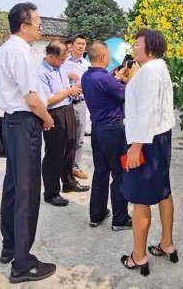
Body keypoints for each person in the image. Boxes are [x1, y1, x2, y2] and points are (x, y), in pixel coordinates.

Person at [0, 2, 56, 283]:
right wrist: (46, 118)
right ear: (24, 25)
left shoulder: (7, 49)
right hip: (23, 123)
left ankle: (10, 245)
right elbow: (31, 99)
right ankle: (23, 262)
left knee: (13, 187)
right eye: (37, 23)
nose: (40, 27)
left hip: (12, 123)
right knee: (27, 191)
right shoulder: (20, 52)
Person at [120, 29, 177, 277]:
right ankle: (166, 244)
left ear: (150, 47)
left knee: (140, 198)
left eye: (137, 44)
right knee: (164, 191)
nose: (133, 48)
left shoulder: (150, 72)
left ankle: (139, 256)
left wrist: (136, 146)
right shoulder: (157, 68)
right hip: (160, 139)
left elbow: (147, 111)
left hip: (147, 140)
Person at [80, 41, 132, 231]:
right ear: (103, 57)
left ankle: (97, 213)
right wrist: (127, 81)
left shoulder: (86, 77)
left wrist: (116, 78)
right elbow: (125, 94)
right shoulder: (105, 78)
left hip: (97, 129)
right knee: (119, 173)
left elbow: (107, 89)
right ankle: (120, 218)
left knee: (101, 171)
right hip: (112, 130)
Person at [38, 41, 90, 207]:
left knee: (70, 149)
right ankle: (51, 192)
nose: (63, 61)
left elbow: (67, 90)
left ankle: (69, 183)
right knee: (54, 154)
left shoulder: (61, 68)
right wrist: (69, 91)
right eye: (61, 58)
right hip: (53, 114)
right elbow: (47, 100)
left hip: (68, 109)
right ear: (51, 56)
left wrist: (73, 89)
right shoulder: (40, 72)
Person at [62, 34, 89, 180]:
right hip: (65, 104)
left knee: (79, 138)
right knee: (65, 138)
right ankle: (63, 168)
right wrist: (67, 75)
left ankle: (75, 167)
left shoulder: (86, 65)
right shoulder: (62, 63)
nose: (81, 46)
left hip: (80, 104)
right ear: (71, 46)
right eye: (78, 43)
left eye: (83, 44)